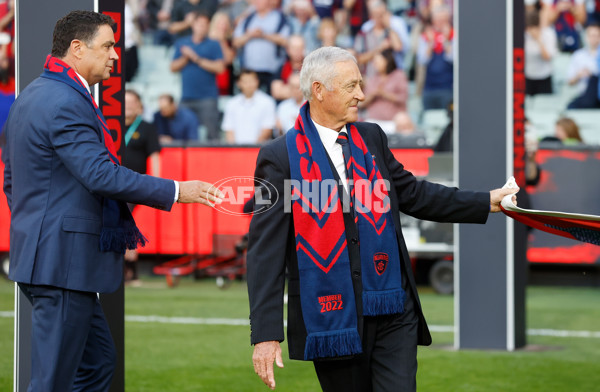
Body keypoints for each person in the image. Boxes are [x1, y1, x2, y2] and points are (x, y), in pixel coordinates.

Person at [246, 46, 518, 392]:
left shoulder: (371, 137)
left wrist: (483, 201)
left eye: (360, 84)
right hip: (333, 317)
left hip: (392, 305)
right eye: (351, 86)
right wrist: (266, 334)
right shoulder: (279, 157)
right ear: (319, 90)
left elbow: (413, 194)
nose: (361, 94)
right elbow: (264, 253)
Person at [0, 11, 222, 392]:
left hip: (50, 255)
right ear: (77, 48)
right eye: (107, 46)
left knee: (99, 364)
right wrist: (176, 190)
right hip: (62, 261)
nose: (115, 55)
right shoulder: (64, 100)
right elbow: (99, 174)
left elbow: (9, 178)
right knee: (52, 381)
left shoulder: (35, 94)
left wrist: (36, 222)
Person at [122, 90, 162, 285]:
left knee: (125, 222)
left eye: (132, 102)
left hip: (133, 186)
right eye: (125, 102)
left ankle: (130, 269)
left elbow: (154, 156)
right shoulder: (110, 124)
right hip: (110, 183)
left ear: (139, 106)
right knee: (123, 224)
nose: (128, 106)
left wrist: (157, 183)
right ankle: (128, 269)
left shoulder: (146, 128)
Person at [171, 10, 224, 141]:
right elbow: (173, 67)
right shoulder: (182, 43)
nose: (202, 27)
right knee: (183, 133)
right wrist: (185, 57)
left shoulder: (214, 44)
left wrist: (195, 58)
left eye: (205, 24)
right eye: (199, 24)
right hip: (186, 96)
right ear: (193, 25)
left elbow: (220, 68)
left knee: (212, 134)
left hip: (208, 98)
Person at [232, 0, 291, 93]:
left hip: (272, 71)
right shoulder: (248, 18)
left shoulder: (279, 17)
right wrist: (250, 35)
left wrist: (263, 35)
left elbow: (285, 40)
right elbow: (236, 42)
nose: (257, 2)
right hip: (250, 71)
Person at [222, 69, 277, 144]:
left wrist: (253, 149)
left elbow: (267, 129)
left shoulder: (267, 102)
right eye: (245, 82)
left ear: (257, 82)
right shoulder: (232, 103)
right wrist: (234, 150)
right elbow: (229, 130)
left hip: (260, 149)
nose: (249, 85)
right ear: (238, 83)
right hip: (237, 151)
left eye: (251, 81)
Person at [417, 5, 454, 110]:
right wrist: (430, 43)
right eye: (438, 20)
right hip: (429, 88)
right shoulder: (426, 36)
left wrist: (446, 41)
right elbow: (422, 61)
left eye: (443, 20)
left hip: (447, 87)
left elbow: (454, 59)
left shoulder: (454, 35)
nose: (440, 23)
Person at [360, 48, 408, 121]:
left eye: (378, 62)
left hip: (394, 121)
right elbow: (362, 103)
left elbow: (403, 98)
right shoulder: (373, 79)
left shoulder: (398, 75)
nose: (375, 65)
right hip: (373, 121)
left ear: (387, 61)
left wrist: (384, 94)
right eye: (374, 63)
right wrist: (373, 95)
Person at [524, 8, 557, 96]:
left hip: (544, 77)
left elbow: (548, 57)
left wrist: (538, 40)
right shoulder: (524, 35)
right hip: (527, 77)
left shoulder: (548, 34)